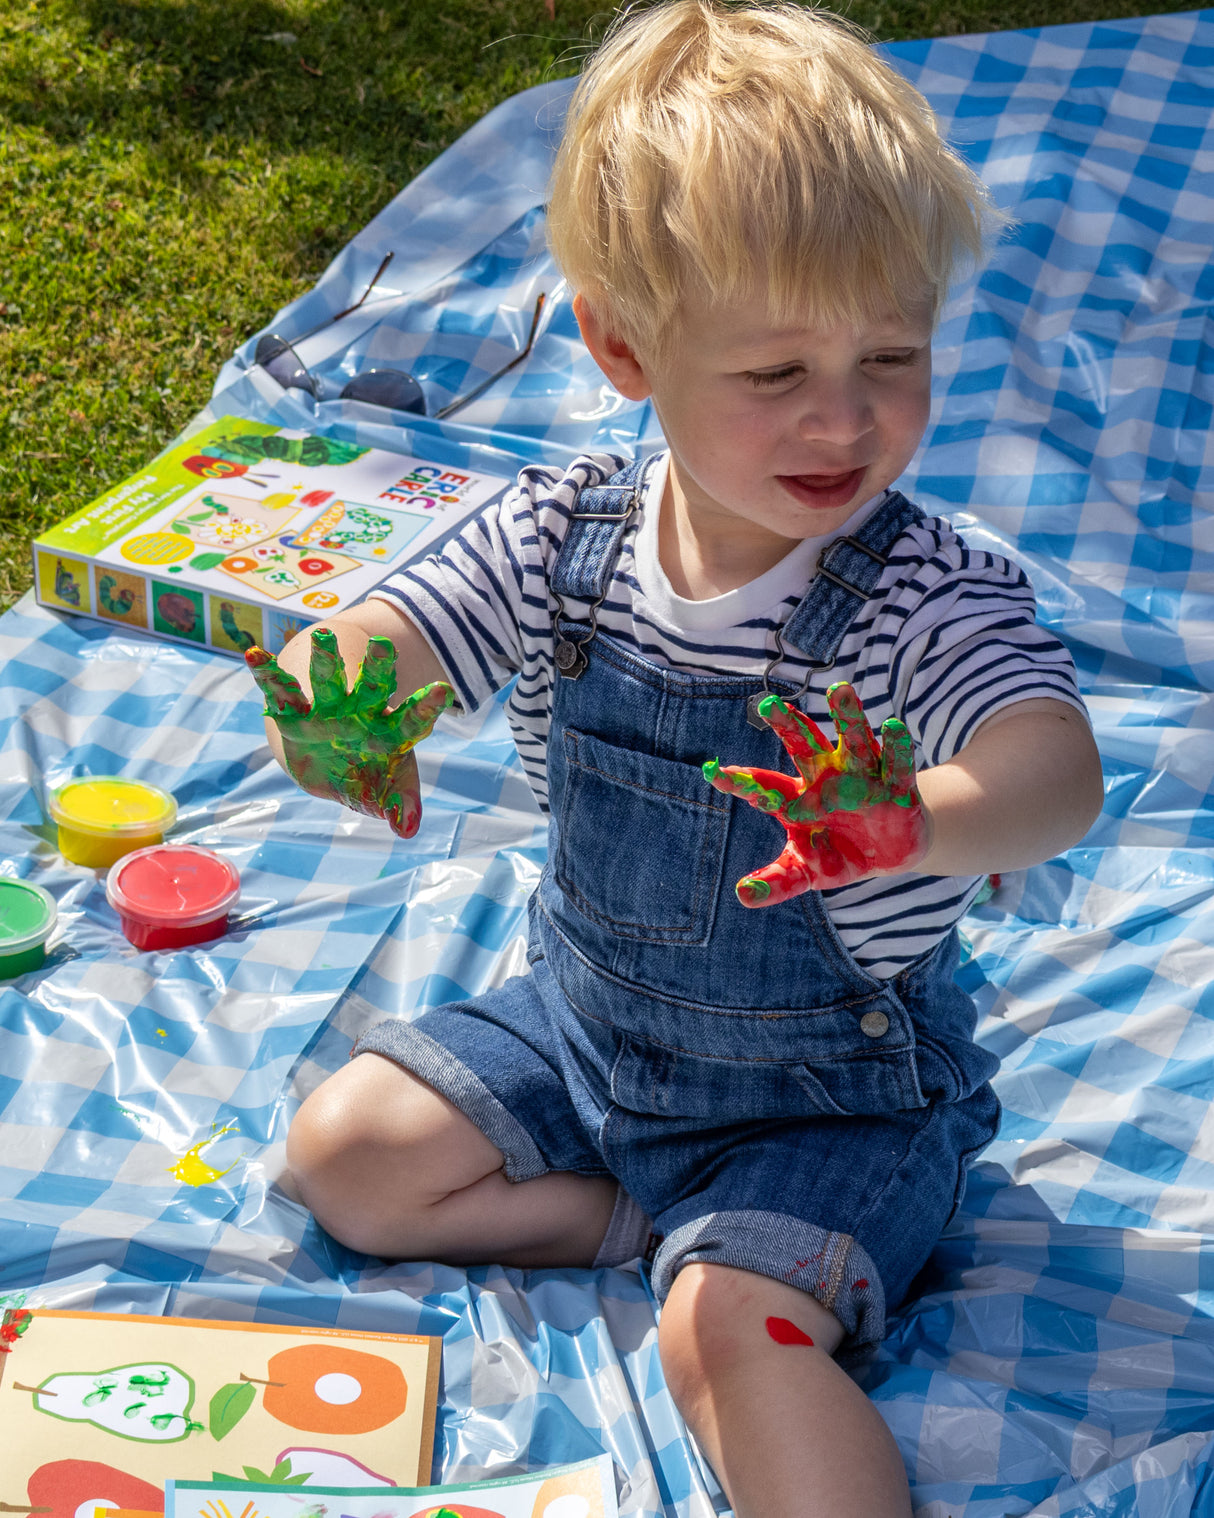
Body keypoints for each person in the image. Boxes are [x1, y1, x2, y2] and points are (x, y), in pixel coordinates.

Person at [249, 4, 1104, 1514]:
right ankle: (642, 1221)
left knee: (729, 1337)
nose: (843, 414)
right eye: (773, 373)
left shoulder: (923, 587)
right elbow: (393, 632)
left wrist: (906, 819)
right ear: (622, 347)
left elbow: (1054, 772)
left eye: (890, 352)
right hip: (590, 1029)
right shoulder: (560, 528)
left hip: (835, 1100)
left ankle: (737, 1258)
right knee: (348, 1157)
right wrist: (336, 704)